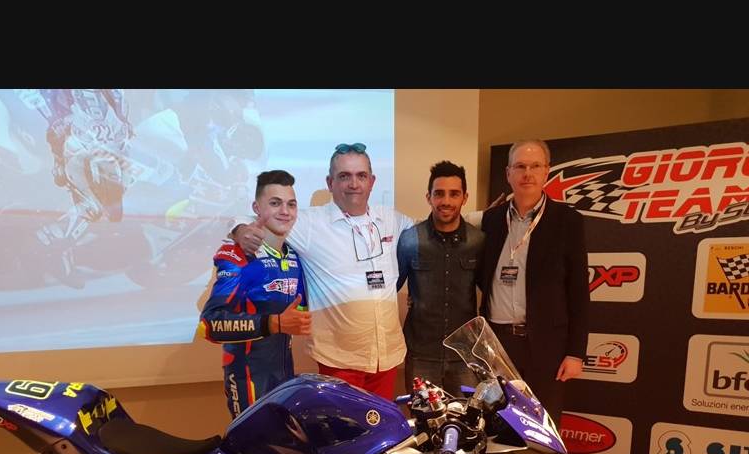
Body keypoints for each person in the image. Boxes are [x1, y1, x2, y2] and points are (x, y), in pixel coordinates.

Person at [231, 144, 413, 401]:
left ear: (372, 181)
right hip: (339, 360)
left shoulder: (392, 219)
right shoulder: (309, 224)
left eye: (361, 176)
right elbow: (250, 215)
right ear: (330, 182)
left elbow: (430, 229)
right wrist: (240, 230)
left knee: (381, 426)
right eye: (344, 176)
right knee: (343, 427)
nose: (354, 184)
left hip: (387, 357)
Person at [479, 139, 588, 424]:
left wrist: (576, 353)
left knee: (542, 427)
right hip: (498, 344)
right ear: (508, 173)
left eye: (535, 166)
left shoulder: (567, 220)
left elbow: (579, 292)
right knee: (498, 424)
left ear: (546, 171)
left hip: (546, 345)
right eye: (520, 166)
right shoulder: (491, 220)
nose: (527, 174)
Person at [199, 170, 311, 418]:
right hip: (247, 378)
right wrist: (274, 323)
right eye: (275, 203)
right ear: (256, 208)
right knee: (253, 442)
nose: (285, 211)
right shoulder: (238, 256)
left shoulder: (294, 256)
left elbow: (299, 312)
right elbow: (210, 324)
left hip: (284, 377)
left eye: (291, 204)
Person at [396, 161, 485, 397]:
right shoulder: (410, 240)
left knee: (466, 417)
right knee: (424, 418)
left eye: (454, 194)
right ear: (429, 197)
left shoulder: (478, 241)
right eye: (439, 194)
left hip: (465, 355)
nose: (446, 201)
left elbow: (492, 292)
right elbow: (389, 289)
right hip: (421, 354)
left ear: (465, 197)